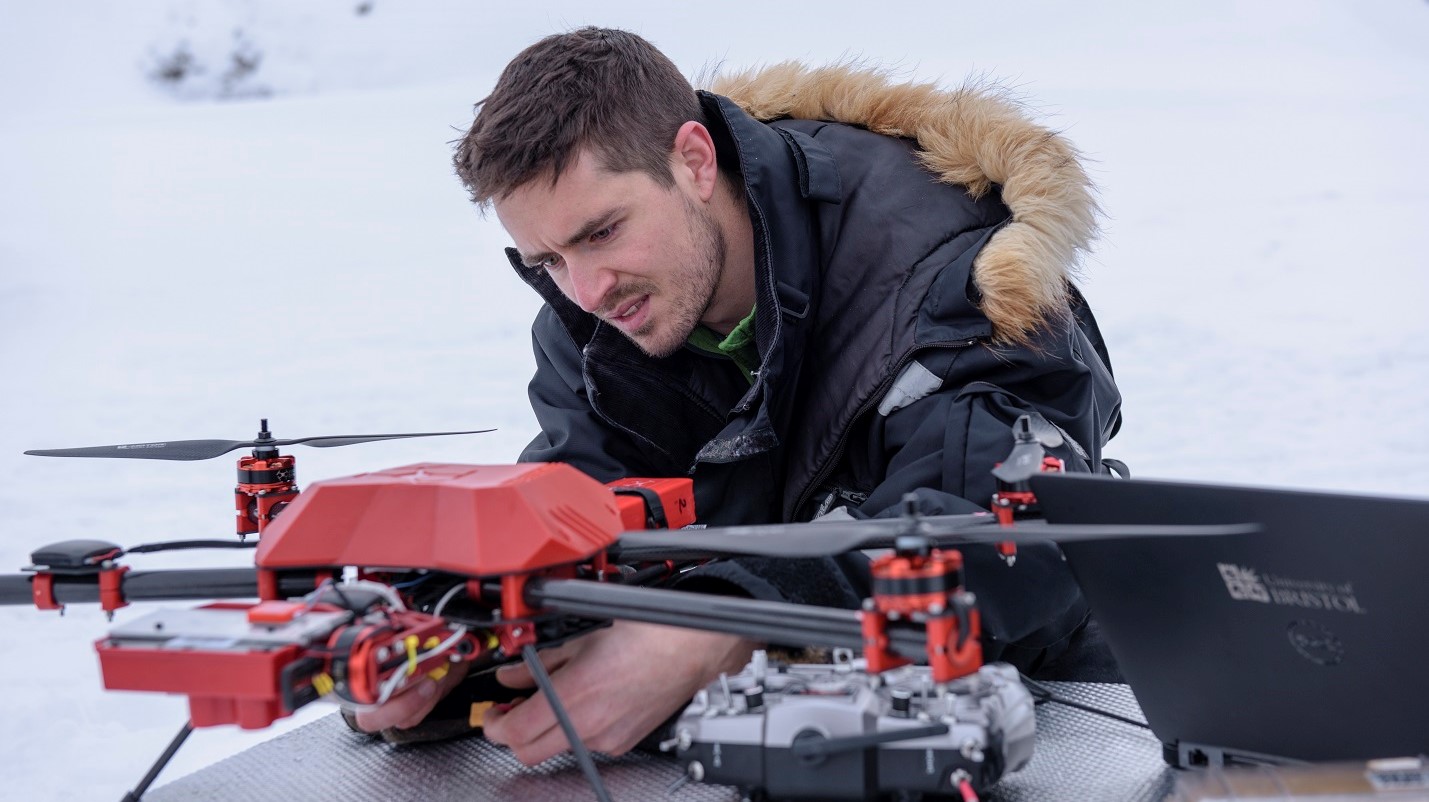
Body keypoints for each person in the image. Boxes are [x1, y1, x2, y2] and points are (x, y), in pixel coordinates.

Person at [351, 27, 1122, 765]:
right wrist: (457, 639)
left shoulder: (954, 274)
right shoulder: (595, 324)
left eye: (601, 232)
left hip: (1046, 712)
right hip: (753, 737)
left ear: (691, 161)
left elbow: (1004, 540)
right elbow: (578, 518)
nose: (584, 290)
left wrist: (721, 630)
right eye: (547, 259)